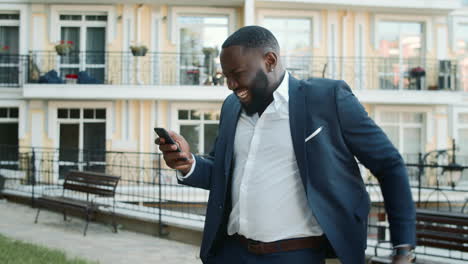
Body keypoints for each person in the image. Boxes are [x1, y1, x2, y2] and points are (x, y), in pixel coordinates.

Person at [156, 26, 415, 264]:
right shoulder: (232, 106)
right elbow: (222, 173)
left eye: (237, 74)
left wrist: (403, 247)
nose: (231, 85)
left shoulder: (327, 99)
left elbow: (389, 165)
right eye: (226, 76)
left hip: (299, 255)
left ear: (270, 61)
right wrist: (188, 164)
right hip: (233, 253)